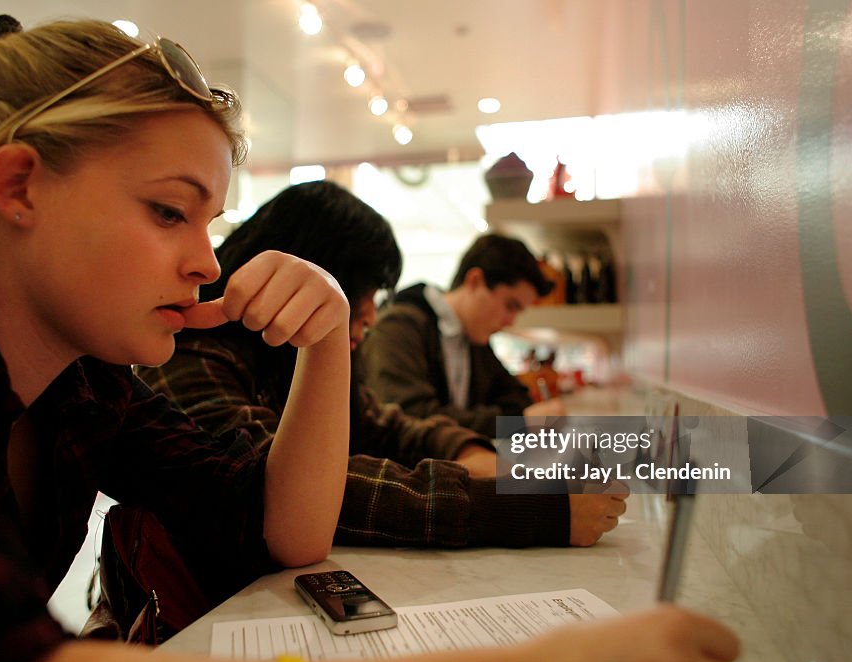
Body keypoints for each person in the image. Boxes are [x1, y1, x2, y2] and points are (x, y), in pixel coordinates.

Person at [0, 9, 747, 662]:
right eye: (168, 211)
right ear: (19, 185)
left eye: (210, 220)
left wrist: (328, 339)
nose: (205, 260)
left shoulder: (90, 386)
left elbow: (285, 527)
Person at [139, 180, 626, 552]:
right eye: (169, 214)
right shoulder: (189, 355)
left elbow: (390, 425)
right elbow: (301, 491)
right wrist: (524, 507)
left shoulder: (287, 354)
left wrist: (476, 456)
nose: (369, 315)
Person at [359, 233, 561, 438]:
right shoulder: (398, 327)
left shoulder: (473, 336)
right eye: (510, 306)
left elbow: (515, 397)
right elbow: (411, 418)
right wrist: (516, 424)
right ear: (474, 281)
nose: (511, 321)